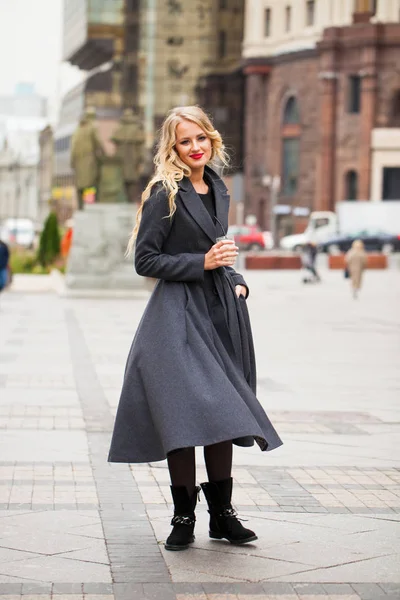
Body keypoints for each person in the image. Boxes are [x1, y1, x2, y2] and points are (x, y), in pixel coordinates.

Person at [108, 106, 282, 551]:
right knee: (182, 416)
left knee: (223, 415)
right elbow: (145, 260)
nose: (195, 147)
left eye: (200, 138)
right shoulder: (163, 194)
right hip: (176, 318)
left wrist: (237, 280)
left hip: (220, 312)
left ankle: (222, 517)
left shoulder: (219, 189)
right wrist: (199, 263)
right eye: (184, 141)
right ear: (173, 148)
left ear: (211, 139)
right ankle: (183, 516)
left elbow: (219, 249)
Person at [70, 107, 105, 210]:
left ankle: (81, 207)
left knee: (80, 186)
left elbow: (72, 149)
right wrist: (103, 153)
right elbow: (97, 142)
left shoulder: (77, 130)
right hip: (89, 162)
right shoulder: (91, 127)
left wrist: (72, 163)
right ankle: (93, 204)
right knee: (93, 183)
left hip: (78, 163)